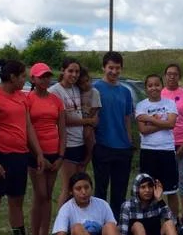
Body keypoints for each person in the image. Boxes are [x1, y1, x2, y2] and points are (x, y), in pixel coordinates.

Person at [0, 60, 45, 235]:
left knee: (16, 200)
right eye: (23, 76)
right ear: (12, 77)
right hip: (0, 155)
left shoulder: (21, 97)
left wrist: (38, 152)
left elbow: (27, 126)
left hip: (20, 155)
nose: (25, 80)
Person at [26, 62, 66, 235]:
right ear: (32, 79)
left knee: (48, 195)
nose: (45, 79)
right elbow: (27, 128)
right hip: (36, 153)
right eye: (41, 76)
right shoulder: (28, 100)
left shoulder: (56, 100)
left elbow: (63, 129)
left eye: (48, 76)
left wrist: (61, 155)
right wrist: (38, 154)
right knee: (40, 194)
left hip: (54, 151)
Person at [50, 58, 98, 207]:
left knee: (79, 187)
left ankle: (75, 223)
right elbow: (63, 120)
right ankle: (61, 225)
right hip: (68, 144)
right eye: (70, 71)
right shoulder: (55, 91)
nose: (74, 74)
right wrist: (88, 122)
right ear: (63, 71)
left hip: (81, 142)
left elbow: (83, 111)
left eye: (77, 71)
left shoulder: (77, 88)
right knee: (68, 187)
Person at [92, 51, 134, 218]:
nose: (114, 72)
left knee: (120, 190)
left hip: (123, 147)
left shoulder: (125, 92)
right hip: (102, 145)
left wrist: (130, 141)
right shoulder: (95, 89)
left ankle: (117, 225)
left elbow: (127, 118)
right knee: (101, 189)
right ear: (103, 67)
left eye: (117, 68)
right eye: (111, 68)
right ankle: (100, 225)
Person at [161, 63, 183, 224]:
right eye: (169, 74)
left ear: (179, 76)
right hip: (165, 144)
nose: (171, 76)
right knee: (169, 179)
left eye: (175, 74)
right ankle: (172, 214)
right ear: (164, 76)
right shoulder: (160, 93)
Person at [135, 74, 179, 200]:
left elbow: (171, 124)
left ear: (162, 86)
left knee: (171, 191)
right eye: (150, 85)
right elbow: (143, 130)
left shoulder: (170, 103)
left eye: (157, 84)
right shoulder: (141, 105)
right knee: (148, 189)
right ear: (146, 88)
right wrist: (164, 124)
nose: (154, 88)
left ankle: (175, 219)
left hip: (167, 150)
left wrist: (149, 119)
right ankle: (151, 218)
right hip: (148, 150)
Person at [77, 66, 101, 170]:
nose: (85, 84)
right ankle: (85, 156)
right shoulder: (78, 92)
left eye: (87, 81)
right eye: (82, 83)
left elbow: (95, 107)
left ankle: (89, 156)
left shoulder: (94, 91)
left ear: (90, 79)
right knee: (83, 139)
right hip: (80, 120)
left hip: (89, 120)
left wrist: (88, 121)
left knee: (88, 136)